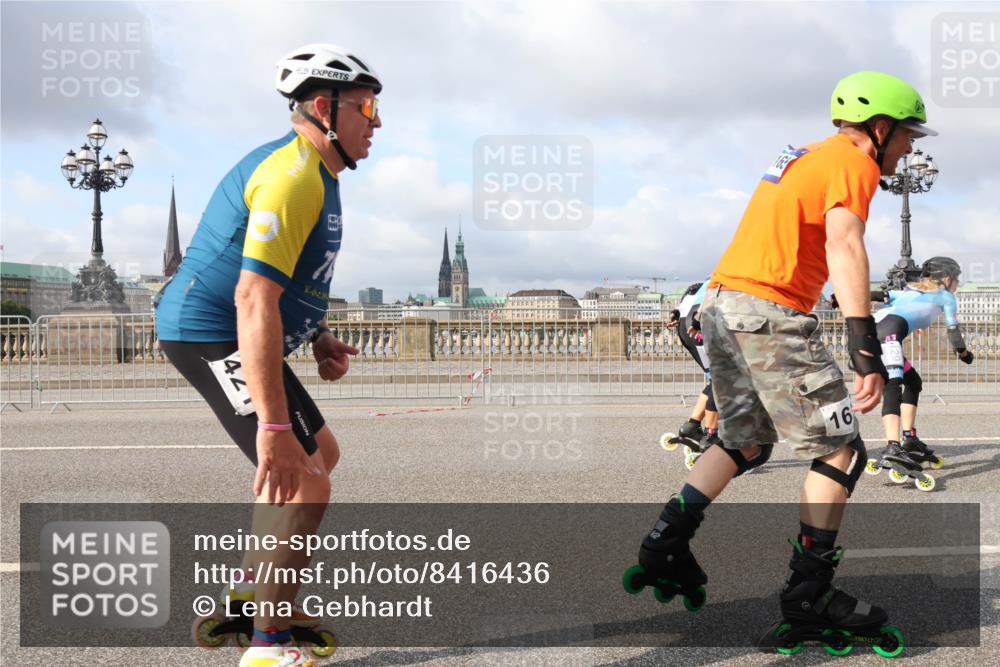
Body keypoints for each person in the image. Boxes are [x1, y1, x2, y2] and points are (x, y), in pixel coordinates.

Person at [624, 71, 936, 657]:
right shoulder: (853, 162)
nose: (911, 147)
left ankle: (667, 539)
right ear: (879, 128)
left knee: (745, 440)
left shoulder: (804, 155)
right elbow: (845, 244)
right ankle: (808, 594)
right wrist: (864, 345)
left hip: (720, 303)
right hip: (767, 310)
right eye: (908, 134)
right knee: (841, 449)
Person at [155, 43, 382, 667]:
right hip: (211, 330)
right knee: (305, 479)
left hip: (237, 324)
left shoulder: (316, 172)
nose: (377, 122)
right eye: (367, 106)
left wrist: (318, 334)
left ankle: (252, 597)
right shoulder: (291, 176)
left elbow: (291, 278)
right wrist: (275, 429)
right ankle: (266, 643)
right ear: (323, 108)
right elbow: (254, 297)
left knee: (320, 457)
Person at [864, 256, 974, 491]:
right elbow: (954, 334)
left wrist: (837, 298)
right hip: (887, 338)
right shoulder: (946, 297)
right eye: (957, 279)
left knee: (912, 381)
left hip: (875, 335)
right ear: (946, 278)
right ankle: (893, 446)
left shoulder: (910, 290)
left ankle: (908, 437)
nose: (957, 283)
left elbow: (876, 295)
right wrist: (965, 354)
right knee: (893, 384)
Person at [662, 281, 724, 470]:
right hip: (700, 322)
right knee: (722, 380)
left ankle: (691, 426)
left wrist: (675, 313)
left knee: (716, 379)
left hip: (685, 322)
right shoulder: (739, 272)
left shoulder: (710, 278)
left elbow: (690, 290)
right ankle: (711, 437)